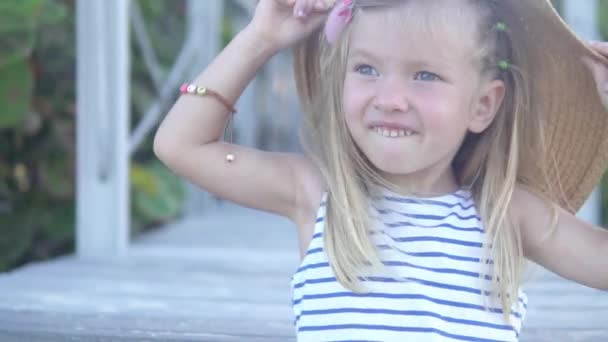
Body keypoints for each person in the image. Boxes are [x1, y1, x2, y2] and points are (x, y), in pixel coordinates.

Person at [153, 0, 608, 340]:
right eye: (367, 68)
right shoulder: (317, 193)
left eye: (425, 76)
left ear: (483, 105)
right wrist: (262, 38)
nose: (389, 98)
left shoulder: (506, 214)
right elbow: (181, 145)